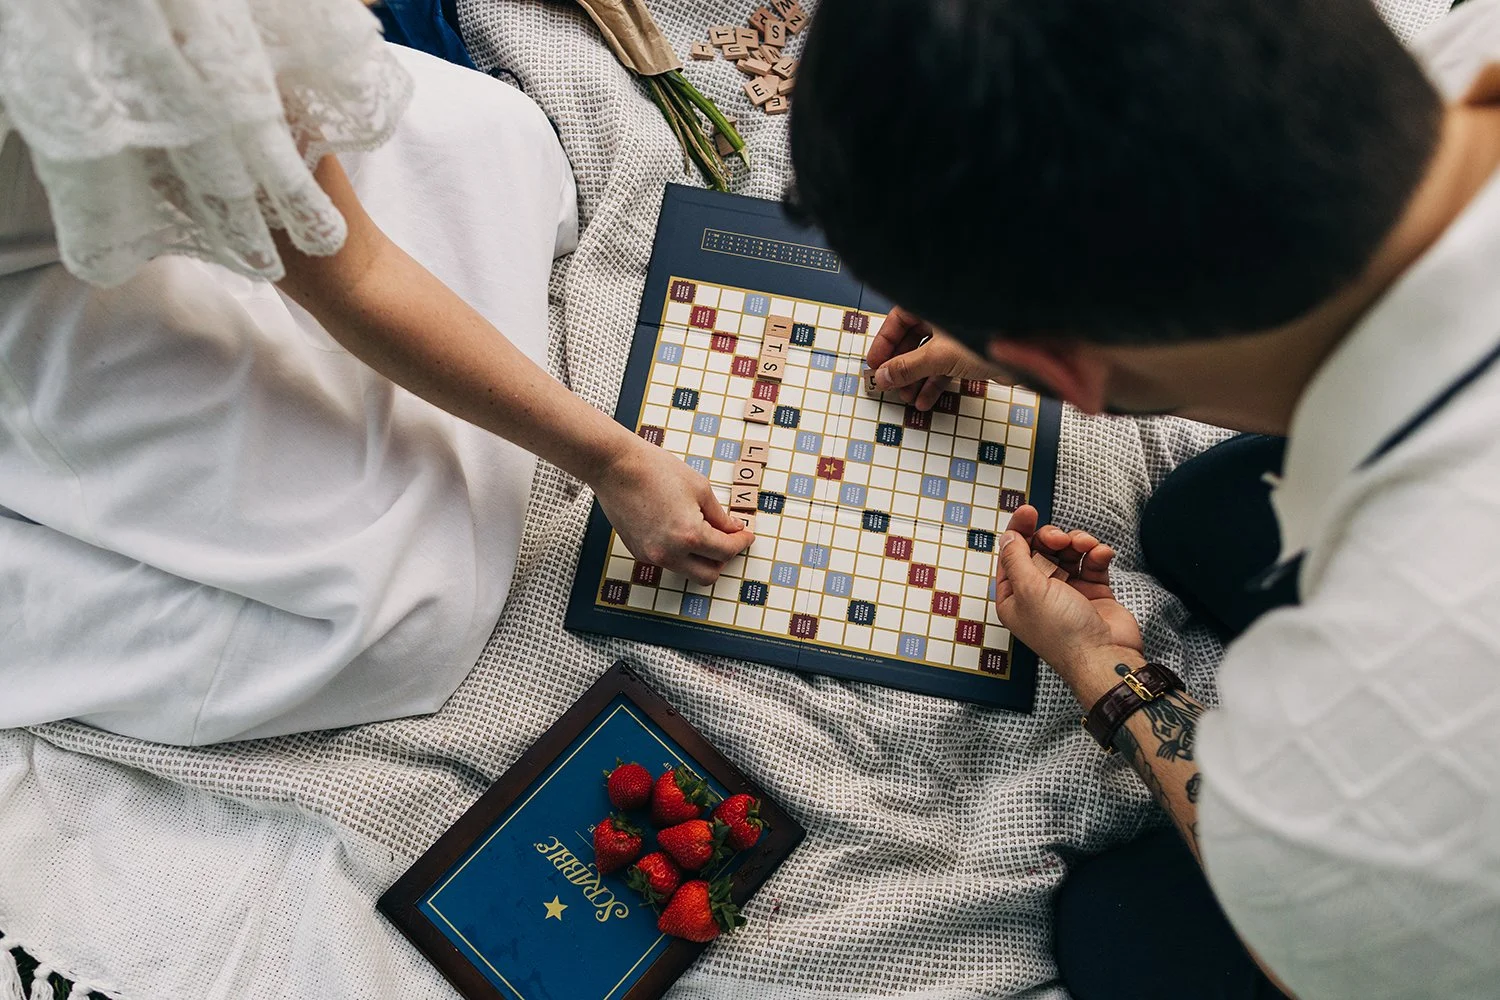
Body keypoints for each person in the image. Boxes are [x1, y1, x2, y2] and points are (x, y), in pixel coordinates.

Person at [789, 0, 1500, 997]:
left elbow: (1310, 960)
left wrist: (1108, 667)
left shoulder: (1396, 697)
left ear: (1065, 376)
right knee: (1195, 526)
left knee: (1122, 938)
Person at [0, 0, 750, 745]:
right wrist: (613, 460)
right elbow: (354, 279)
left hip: (170, 136)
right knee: (404, 614)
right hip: (57, 287)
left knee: (500, 134)